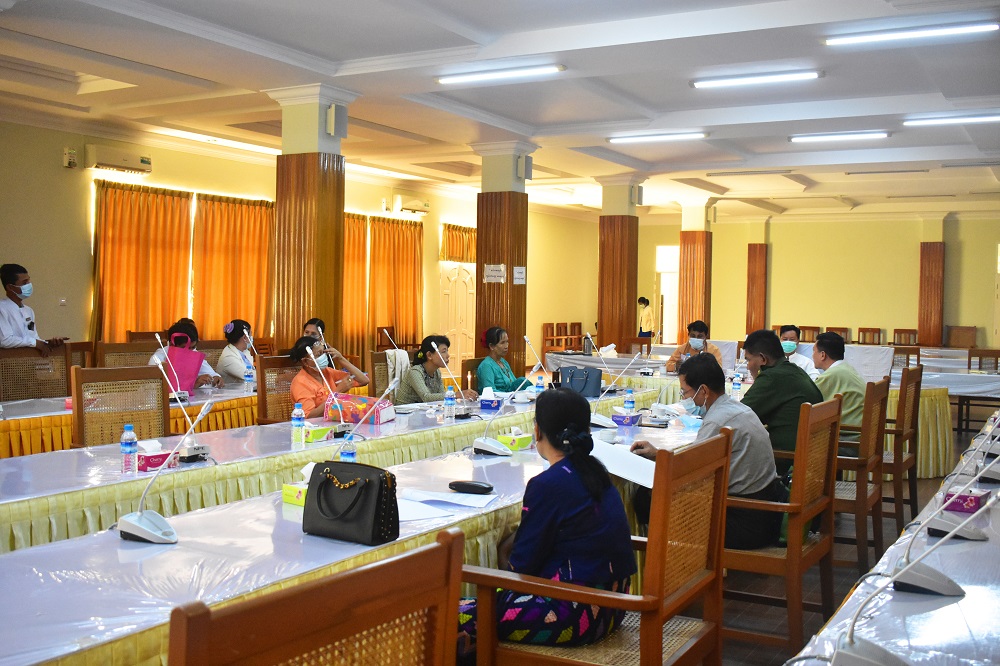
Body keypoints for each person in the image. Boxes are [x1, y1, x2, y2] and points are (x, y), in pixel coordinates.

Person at [457, 388, 636, 658]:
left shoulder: (547, 484)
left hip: (574, 616)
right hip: (613, 607)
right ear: (587, 430)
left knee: (447, 614)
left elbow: (521, 569)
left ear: (537, 431)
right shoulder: (597, 473)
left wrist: (504, 551)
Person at [630, 354, 785, 549]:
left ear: (703, 390)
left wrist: (658, 466)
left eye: (685, 392)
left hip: (744, 522)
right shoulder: (737, 408)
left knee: (647, 497)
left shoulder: (717, 421)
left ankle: (663, 558)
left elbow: (691, 473)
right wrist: (659, 454)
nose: (685, 399)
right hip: (766, 512)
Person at [740, 329, 823, 476]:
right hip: (809, 453)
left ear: (763, 359)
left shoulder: (772, 377)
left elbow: (738, 415)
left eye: (748, 360)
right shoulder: (794, 370)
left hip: (783, 458)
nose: (747, 366)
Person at [288, 336, 369, 418]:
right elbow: (308, 416)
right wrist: (337, 392)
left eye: (323, 352)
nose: (323, 356)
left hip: (335, 420)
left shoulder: (327, 372)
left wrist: (340, 359)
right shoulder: (300, 382)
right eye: (319, 354)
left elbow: (364, 380)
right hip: (316, 425)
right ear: (305, 361)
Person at [0, 263, 67, 356]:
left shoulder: (29, 311)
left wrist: (48, 343)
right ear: (10, 287)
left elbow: (33, 338)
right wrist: (35, 343)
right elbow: (5, 340)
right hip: (9, 361)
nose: (29, 285)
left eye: (29, 281)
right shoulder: (2, 308)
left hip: (29, 360)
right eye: (24, 283)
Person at [812, 331, 866, 446]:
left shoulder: (832, 375)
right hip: (861, 436)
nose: (812, 355)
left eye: (814, 351)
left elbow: (808, 400)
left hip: (848, 440)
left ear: (822, 355)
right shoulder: (845, 368)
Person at [396, 335, 476, 405]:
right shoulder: (415, 372)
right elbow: (426, 397)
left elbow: (442, 395)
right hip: (403, 414)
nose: (448, 355)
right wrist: (456, 394)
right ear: (429, 355)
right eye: (443, 351)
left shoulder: (437, 372)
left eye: (447, 351)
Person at [148, 319, 224, 389]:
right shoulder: (158, 359)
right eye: (184, 347)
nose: (189, 352)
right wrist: (193, 384)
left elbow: (211, 374)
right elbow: (156, 388)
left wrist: (216, 378)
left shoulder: (193, 353)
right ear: (171, 344)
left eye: (192, 347)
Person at [476, 326, 529, 393]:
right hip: (500, 399)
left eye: (507, 342)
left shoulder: (503, 362)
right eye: (502, 343)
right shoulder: (486, 366)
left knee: (522, 382)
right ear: (491, 346)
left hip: (511, 396)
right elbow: (490, 392)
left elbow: (514, 382)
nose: (506, 346)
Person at [215, 319, 255, 385]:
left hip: (248, 388)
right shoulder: (228, 357)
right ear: (245, 337)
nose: (251, 337)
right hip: (232, 391)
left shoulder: (244, 352)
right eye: (250, 334)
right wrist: (271, 376)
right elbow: (249, 376)